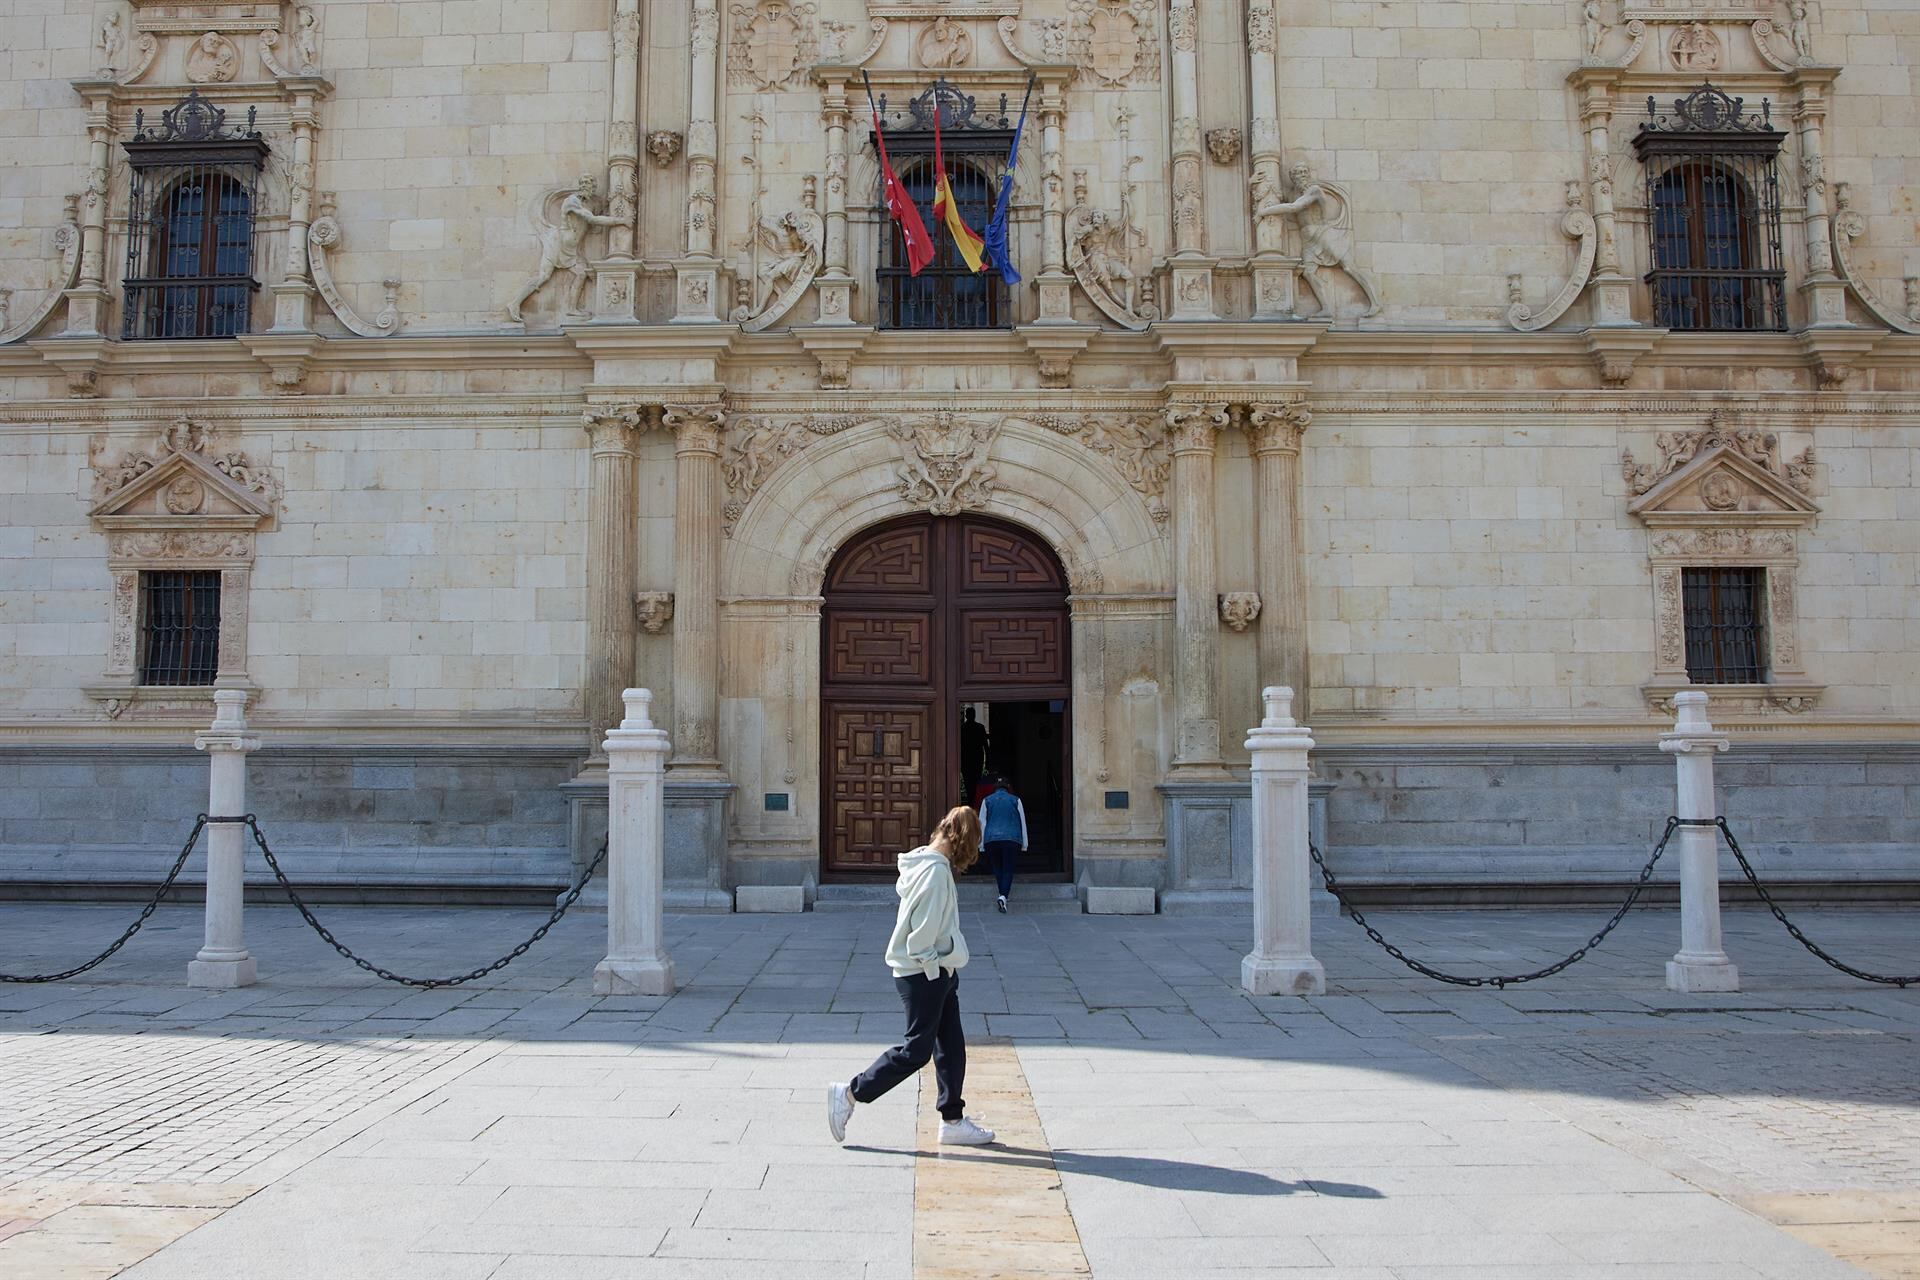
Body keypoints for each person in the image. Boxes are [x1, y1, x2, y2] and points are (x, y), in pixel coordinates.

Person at [827, 807, 994, 1148]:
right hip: (924, 973)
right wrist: (936, 968)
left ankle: (953, 1119)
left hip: (936, 972)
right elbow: (920, 938)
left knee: (951, 1046)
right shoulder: (935, 874)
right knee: (916, 1051)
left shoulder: (924, 862)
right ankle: (849, 1093)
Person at [978, 776, 1028, 914]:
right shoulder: (1015, 800)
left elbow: (982, 823)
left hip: (991, 839)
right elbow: (1022, 822)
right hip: (1012, 839)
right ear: (1008, 788)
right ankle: (1003, 896)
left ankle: (1002, 895)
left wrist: (981, 844)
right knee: (1008, 868)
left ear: (995, 788)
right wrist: (1025, 843)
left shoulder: (986, 801)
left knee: (997, 868)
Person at [959, 706, 988, 801]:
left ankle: (972, 801)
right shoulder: (963, 728)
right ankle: (972, 801)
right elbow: (985, 746)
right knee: (972, 783)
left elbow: (985, 745)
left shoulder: (963, 728)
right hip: (971, 759)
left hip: (970, 759)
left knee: (971, 784)